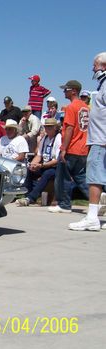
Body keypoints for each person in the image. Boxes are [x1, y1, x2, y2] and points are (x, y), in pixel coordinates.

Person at [69, 52, 106, 230]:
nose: (93, 68)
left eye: (95, 65)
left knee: (94, 178)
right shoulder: (102, 85)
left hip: (101, 140)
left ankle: (92, 218)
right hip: (100, 138)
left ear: (103, 66)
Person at [49, 80, 90, 214]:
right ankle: (97, 200)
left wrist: (64, 148)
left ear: (74, 91)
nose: (64, 92)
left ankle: (65, 205)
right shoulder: (86, 108)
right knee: (80, 177)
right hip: (83, 147)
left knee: (63, 177)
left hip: (72, 147)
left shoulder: (71, 107)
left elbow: (69, 129)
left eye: (66, 89)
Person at [16, 118, 62, 206]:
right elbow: (39, 155)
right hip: (43, 164)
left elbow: (56, 160)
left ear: (55, 128)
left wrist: (41, 165)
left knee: (47, 174)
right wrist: (33, 164)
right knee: (29, 170)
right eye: (46, 127)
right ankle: (27, 195)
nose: (47, 129)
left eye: (50, 127)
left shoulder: (58, 138)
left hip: (55, 167)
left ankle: (31, 198)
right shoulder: (44, 138)